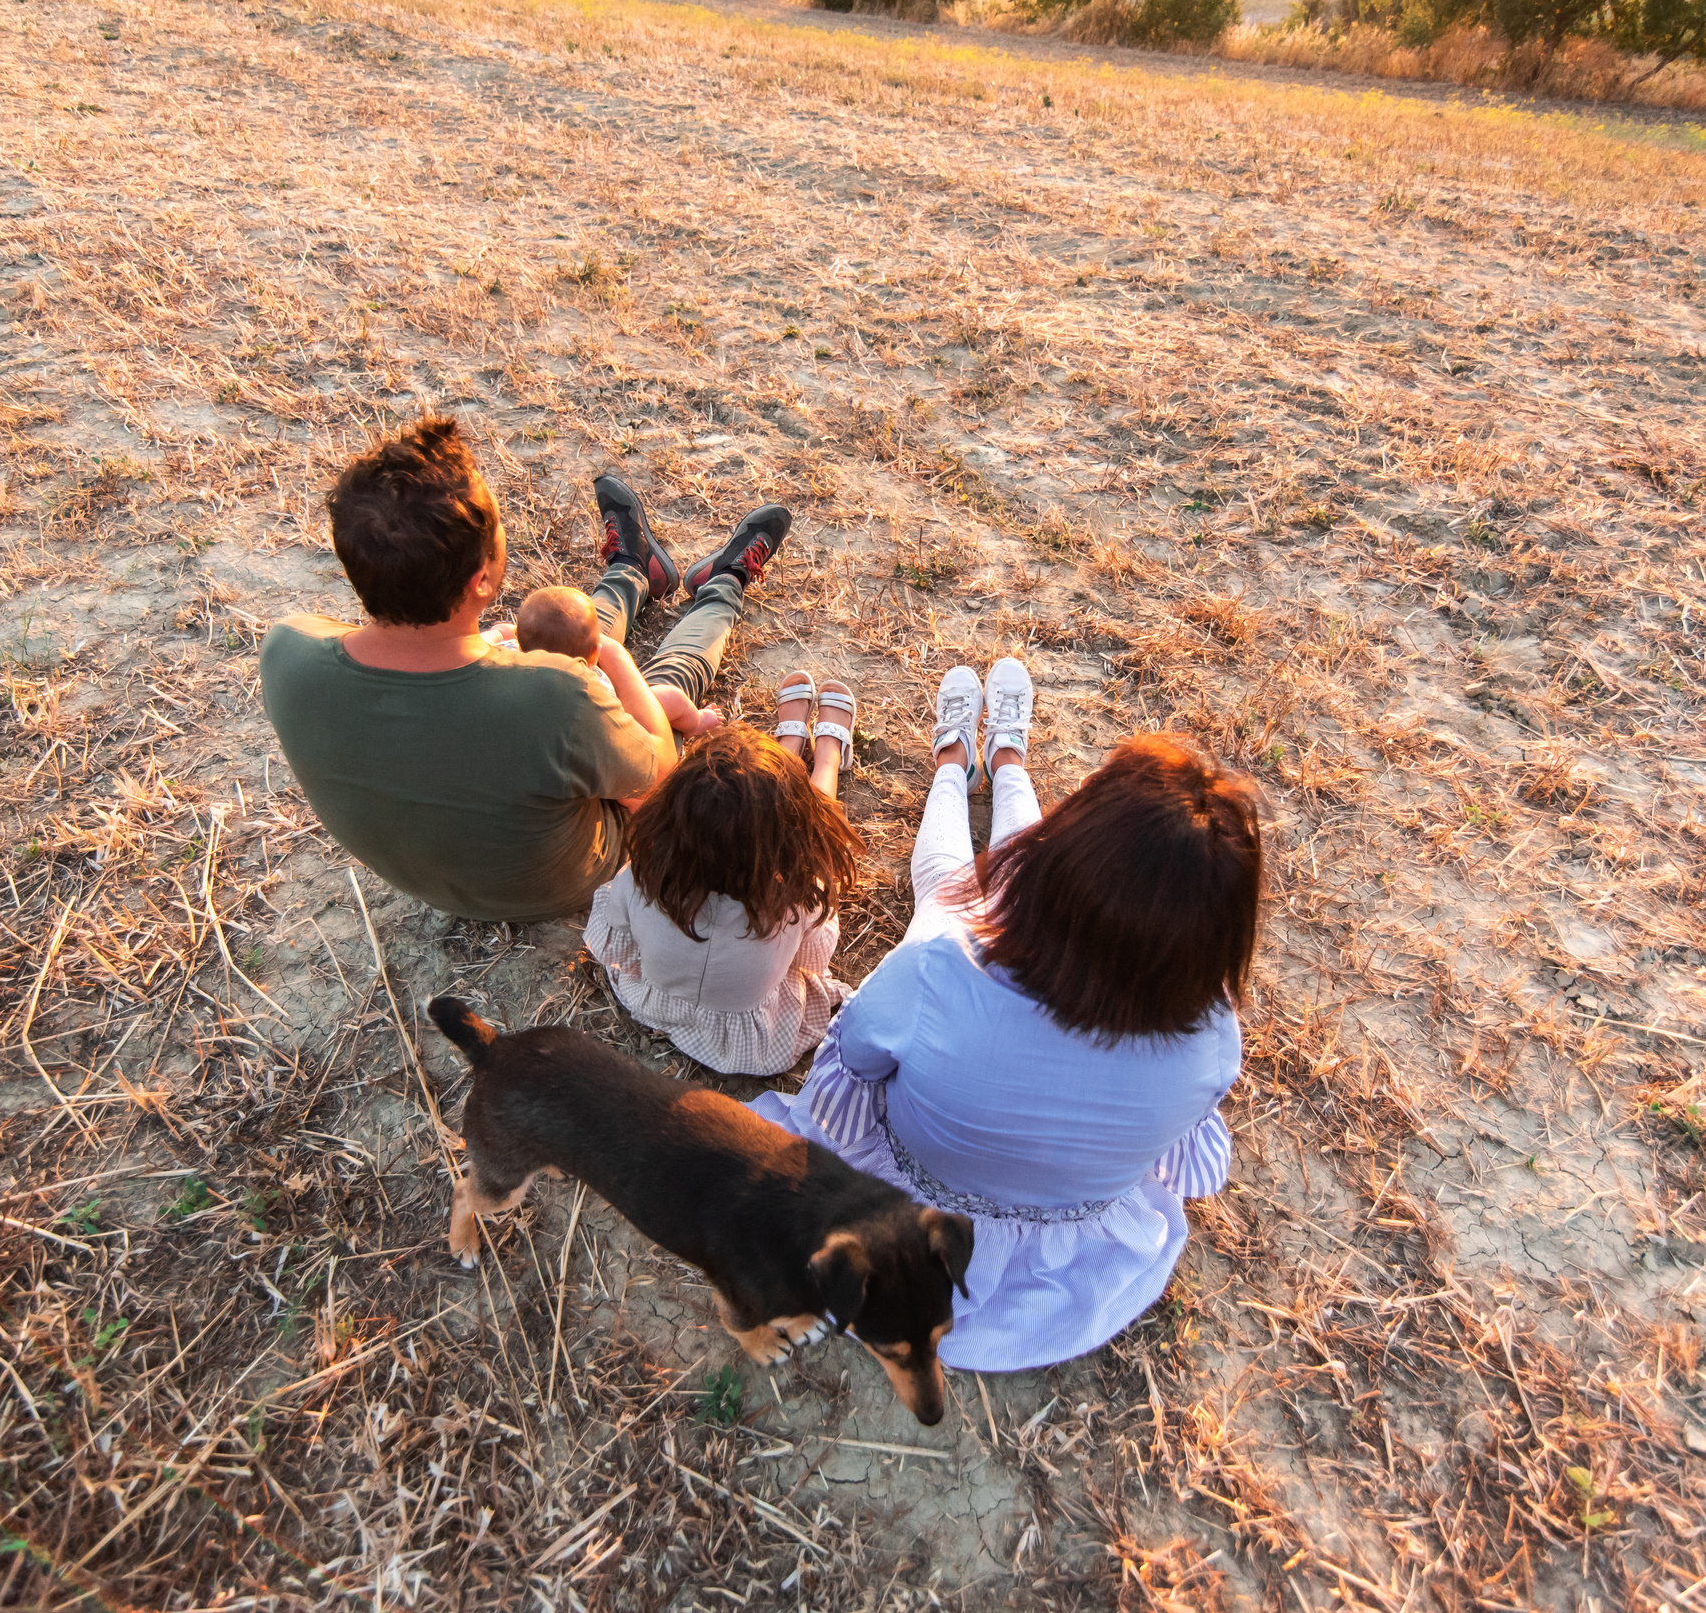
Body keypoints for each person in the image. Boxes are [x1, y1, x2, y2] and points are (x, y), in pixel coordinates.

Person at [751, 661, 1260, 1371]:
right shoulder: (1211, 1042)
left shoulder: (939, 965)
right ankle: (1007, 756)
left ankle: (954, 763)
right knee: (971, 884)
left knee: (944, 889)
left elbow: (857, 1057)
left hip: (919, 1183)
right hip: (1067, 1221)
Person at [259, 415, 789, 922]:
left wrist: (492, 645)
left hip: (427, 877)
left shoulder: (286, 650)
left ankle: (632, 569)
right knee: (659, 684)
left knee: (561, 633)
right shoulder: (556, 697)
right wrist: (614, 658)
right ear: (483, 580)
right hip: (558, 881)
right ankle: (724, 584)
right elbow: (659, 780)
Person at [583, 702, 864, 1076]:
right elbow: (809, 962)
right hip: (754, 1039)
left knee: (762, 800)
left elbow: (615, 941)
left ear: (671, 816)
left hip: (661, 1005)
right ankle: (823, 759)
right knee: (801, 804)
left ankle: (789, 749)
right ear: (791, 842)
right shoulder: (797, 894)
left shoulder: (643, 875)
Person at [495, 584, 723, 741]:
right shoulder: (594, 689)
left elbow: (501, 633)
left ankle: (632, 568)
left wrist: (499, 633)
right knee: (670, 695)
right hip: (612, 721)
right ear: (595, 655)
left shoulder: (502, 659)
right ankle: (696, 723)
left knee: (570, 628)